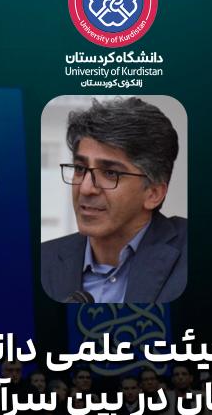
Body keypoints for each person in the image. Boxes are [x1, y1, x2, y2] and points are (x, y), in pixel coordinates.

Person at [41, 97, 186, 303]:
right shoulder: (41, 260)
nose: (85, 188)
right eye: (80, 169)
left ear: (153, 193)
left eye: (110, 173)